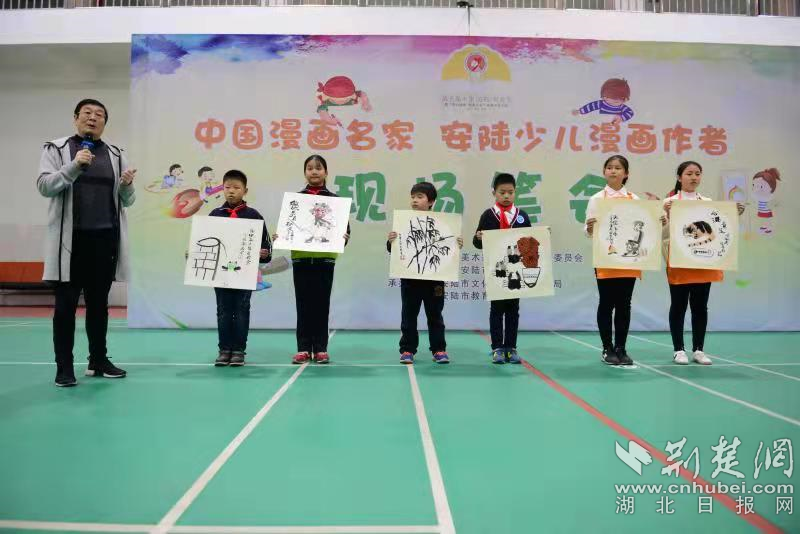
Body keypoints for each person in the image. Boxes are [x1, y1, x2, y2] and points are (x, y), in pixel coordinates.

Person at [36, 98, 136, 387]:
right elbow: (44, 187)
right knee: (65, 307)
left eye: (100, 114)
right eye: (87, 113)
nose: (93, 118)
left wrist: (127, 186)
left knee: (99, 306)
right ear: (75, 117)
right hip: (70, 243)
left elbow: (127, 201)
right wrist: (74, 167)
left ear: (105, 122)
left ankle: (98, 360)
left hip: (104, 241)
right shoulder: (56, 149)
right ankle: (64, 368)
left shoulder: (116, 154)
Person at [662, 161, 745, 365]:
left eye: (697, 173)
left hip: (703, 261)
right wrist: (665, 215)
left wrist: (733, 213)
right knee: (679, 305)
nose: (693, 177)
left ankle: (699, 349)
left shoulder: (707, 202)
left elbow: (719, 227)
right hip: (680, 262)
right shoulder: (669, 202)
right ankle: (678, 350)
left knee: (700, 307)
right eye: (689, 173)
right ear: (679, 177)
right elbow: (662, 233)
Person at [585, 155, 664, 366]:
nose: (613, 171)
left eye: (618, 168)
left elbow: (646, 226)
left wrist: (659, 218)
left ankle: (621, 348)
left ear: (626, 173)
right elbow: (588, 230)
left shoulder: (635, 199)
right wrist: (590, 228)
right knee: (606, 303)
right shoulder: (596, 199)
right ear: (604, 172)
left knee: (624, 304)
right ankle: (607, 348)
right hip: (605, 258)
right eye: (609, 167)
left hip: (629, 259)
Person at [276, 155, 350, 365]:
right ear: (305, 172)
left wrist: (344, 237)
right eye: (309, 168)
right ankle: (302, 348)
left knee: (321, 305)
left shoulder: (335, 201)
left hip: (325, 260)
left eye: (318, 168)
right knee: (303, 305)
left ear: (326, 172)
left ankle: (320, 349)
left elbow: (345, 229)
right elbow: (288, 227)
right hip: (301, 259)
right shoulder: (296, 200)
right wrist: (281, 235)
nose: (314, 171)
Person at [387, 181, 463, 365]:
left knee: (435, 315)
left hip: (435, 281)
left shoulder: (442, 223)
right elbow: (394, 250)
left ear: (431, 202)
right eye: (412, 197)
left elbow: (448, 250)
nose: (414, 200)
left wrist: (456, 244)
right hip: (410, 279)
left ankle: (439, 349)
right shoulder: (404, 222)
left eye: (419, 197)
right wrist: (391, 241)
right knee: (408, 315)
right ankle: (407, 349)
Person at [208, 170, 271, 367]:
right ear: (222, 189)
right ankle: (224, 350)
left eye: (236, 187)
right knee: (223, 311)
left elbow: (266, 245)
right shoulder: (215, 215)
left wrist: (264, 253)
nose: (231, 191)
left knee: (242, 310)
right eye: (227, 187)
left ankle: (239, 350)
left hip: (245, 274)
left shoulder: (254, 216)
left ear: (245, 190)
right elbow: (205, 241)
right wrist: (195, 252)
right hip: (221, 274)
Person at [472, 173, 532, 365]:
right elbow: (477, 243)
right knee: (497, 310)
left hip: (516, 270)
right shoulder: (488, 215)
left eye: (510, 192)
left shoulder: (522, 216)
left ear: (515, 193)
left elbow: (529, 243)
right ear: (494, 193)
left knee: (513, 310)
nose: (506, 196)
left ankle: (511, 348)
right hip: (495, 270)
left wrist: (541, 237)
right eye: (502, 192)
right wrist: (478, 238)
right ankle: (497, 347)